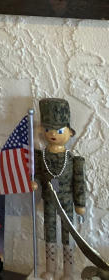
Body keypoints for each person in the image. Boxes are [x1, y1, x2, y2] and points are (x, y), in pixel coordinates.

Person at [34, 97, 86, 280]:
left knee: (67, 233)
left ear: (70, 133)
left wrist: (80, 204)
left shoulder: (73, 161)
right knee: (49, 230)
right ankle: (50, 269)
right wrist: (35, 182)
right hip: (49, 200)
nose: (53, 134)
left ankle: (68, 272)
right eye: (48, 129)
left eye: (59, 130)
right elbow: (39, 174)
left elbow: (78, 183)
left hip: (66, 202)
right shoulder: (41, 157)